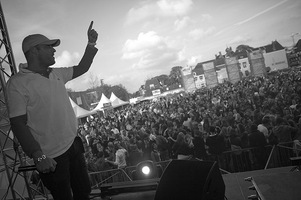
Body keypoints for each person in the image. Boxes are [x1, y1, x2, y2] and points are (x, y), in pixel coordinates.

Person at [7, 21, 98, 200]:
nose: (54, 50)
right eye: (49, 47)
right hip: (51, 157)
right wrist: (38, 156)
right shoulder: (17, 83)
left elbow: (82, 68)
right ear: (34, 51)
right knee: (63, 197)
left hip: (73, 144)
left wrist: (91, 44)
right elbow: (18, 123)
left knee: (84, 192)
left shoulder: (56, 73)